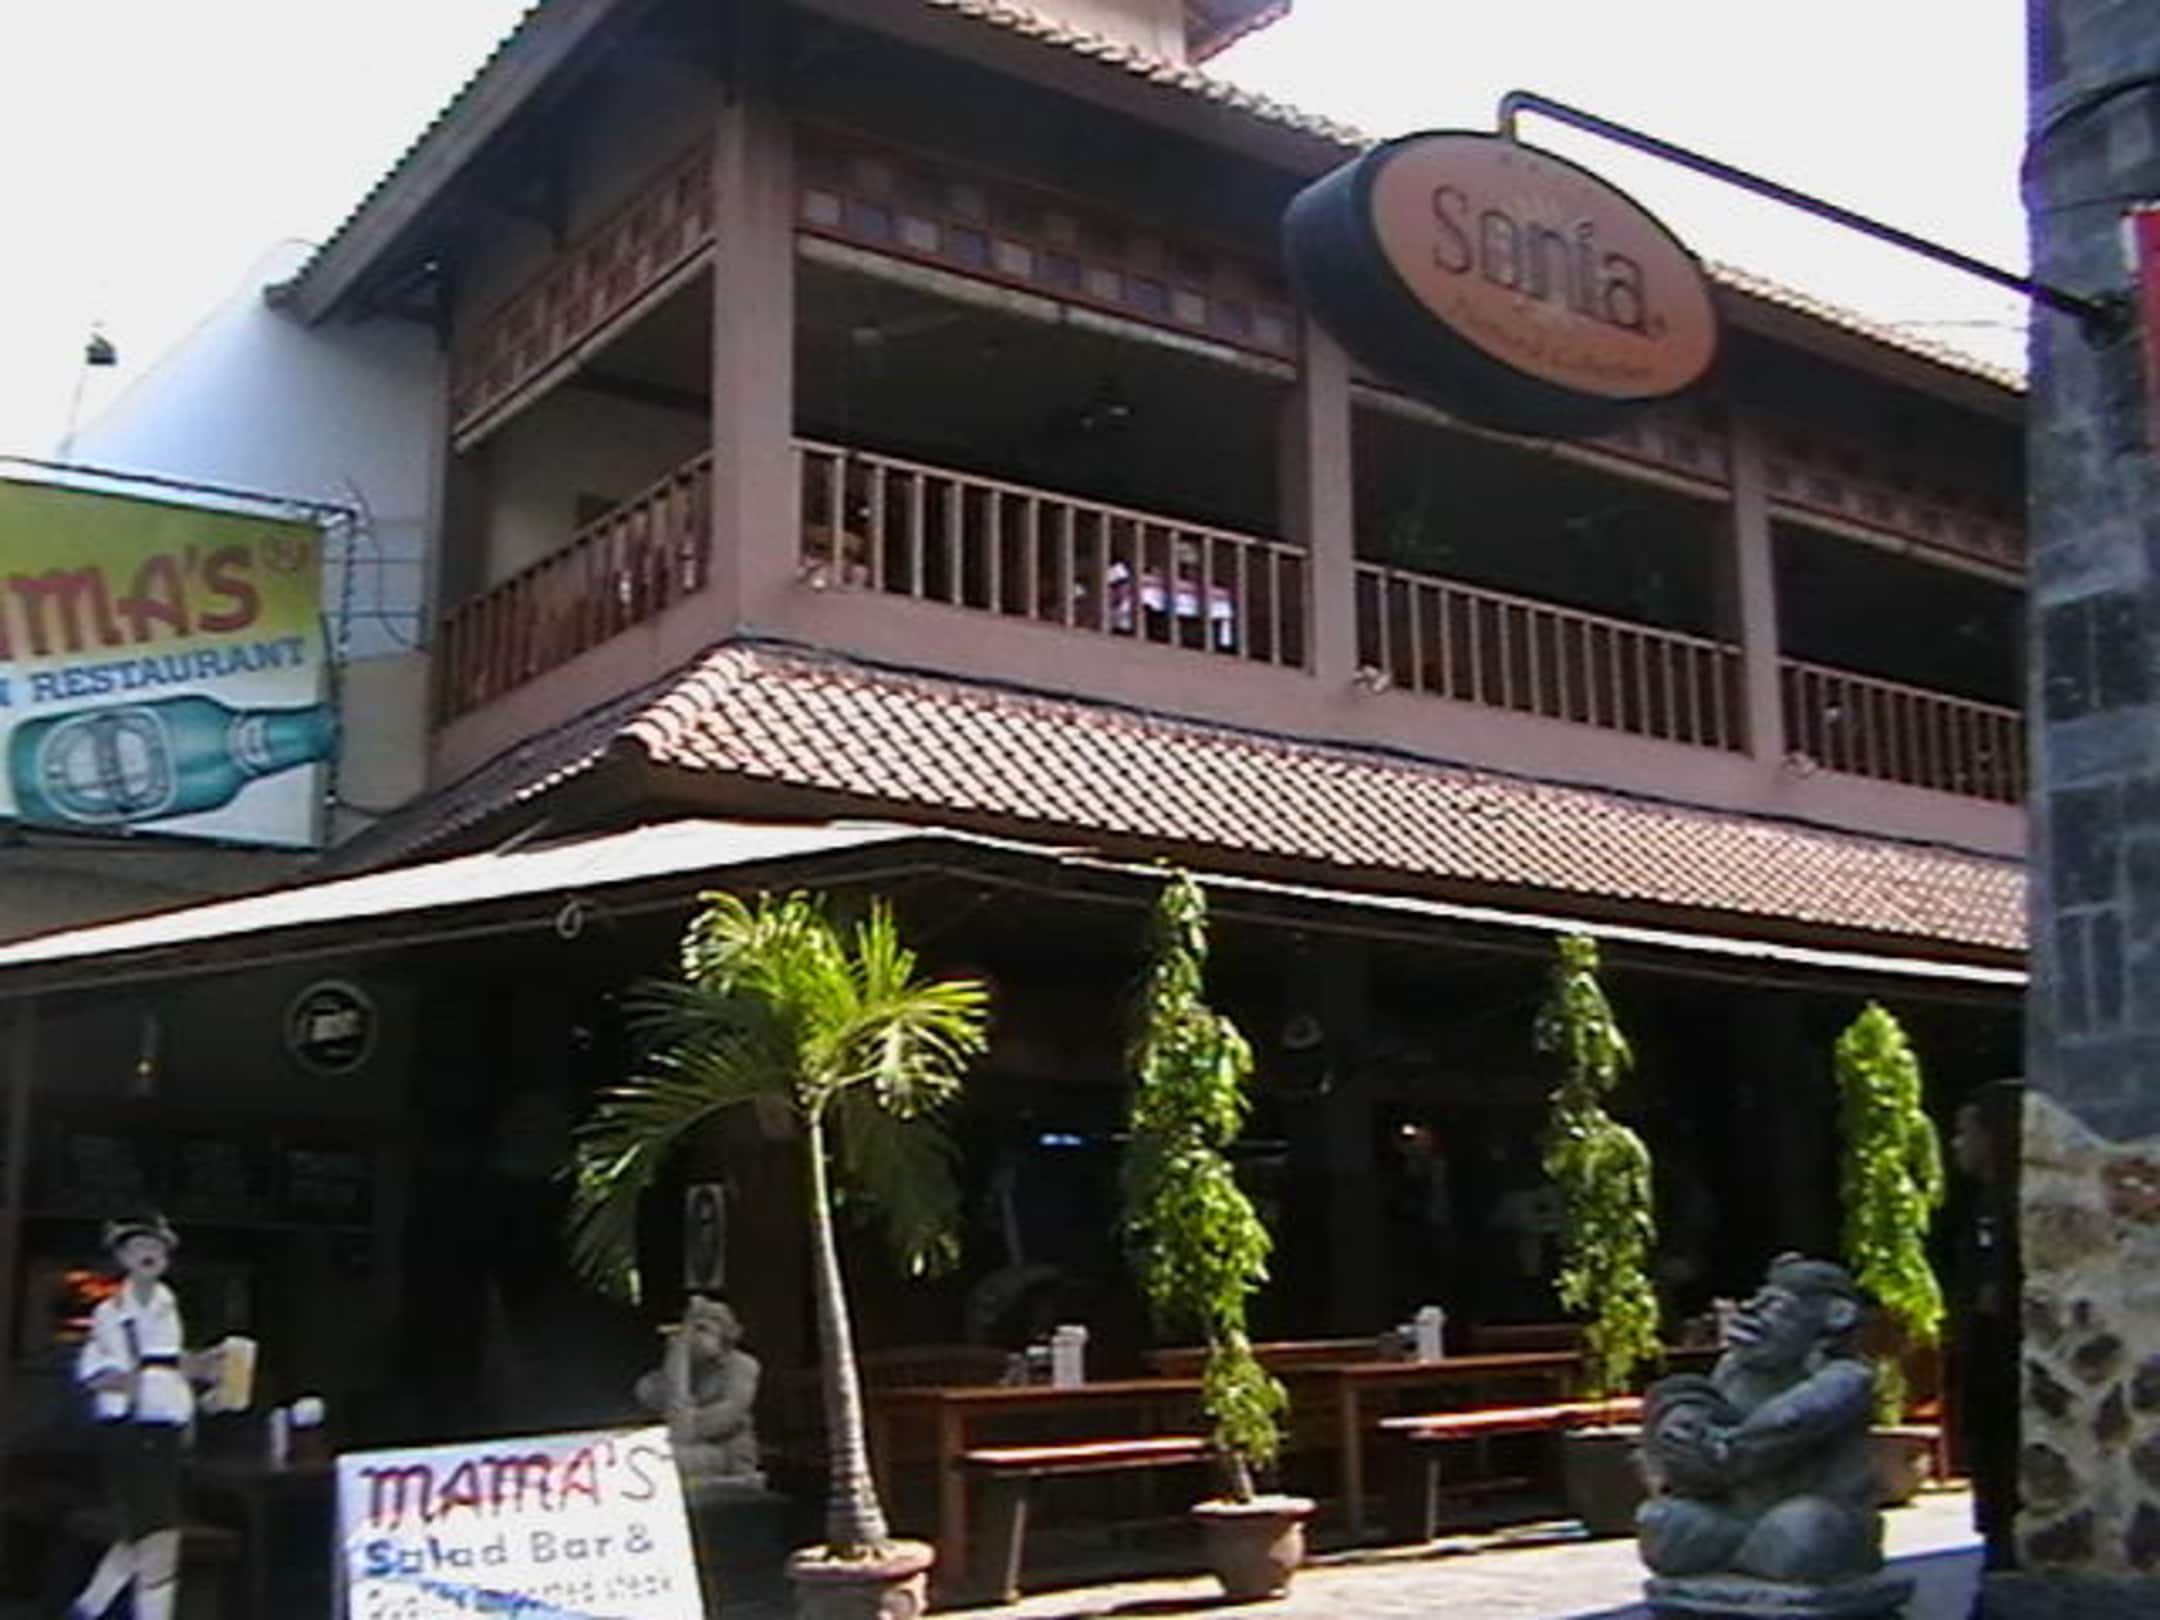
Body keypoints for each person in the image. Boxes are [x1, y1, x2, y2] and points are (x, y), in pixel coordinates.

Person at [71, 1213, 226, 1620]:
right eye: (139, 1247)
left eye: (156, 1247)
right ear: (122, 1257)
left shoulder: (167, 1306)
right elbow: (96, 1368)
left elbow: (169, 1361)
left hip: (167, 1428)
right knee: (159, 1536)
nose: (148, 1254)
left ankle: (88, 1608)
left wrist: (202, 1368)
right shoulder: (110, 1312)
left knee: (140, 1536)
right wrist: (122, 1379)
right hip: (129, 1429)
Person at [1949, 1084, 2021, 1589]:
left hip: (2004, 1374)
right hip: (1984, 1375)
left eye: (1966, 1131)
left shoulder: (2011, 1211)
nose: (1957, 1144)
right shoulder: (1982, 1207)